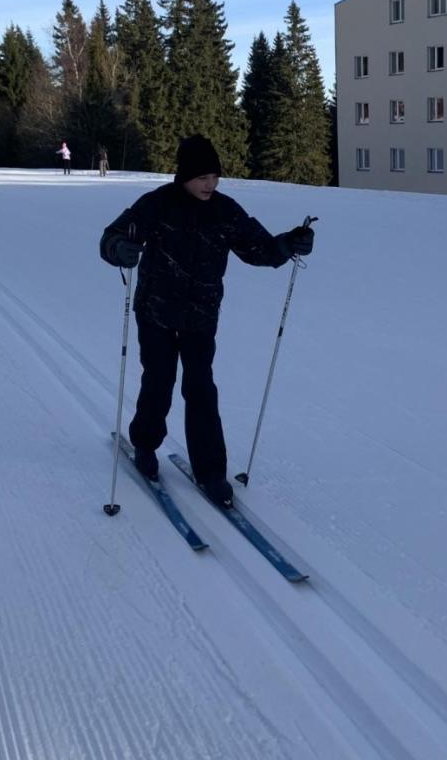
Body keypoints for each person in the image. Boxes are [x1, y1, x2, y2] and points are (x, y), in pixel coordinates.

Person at [100, 134, 314, 507]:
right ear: (184, 175)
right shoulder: (156, 204)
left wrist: (287, 244)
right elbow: (112, 236)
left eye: (215, 177)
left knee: (201, 389)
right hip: (157, 313)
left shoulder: (225, 210)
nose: (210, 185)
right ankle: (145, 446)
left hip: (201, 316)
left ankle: (211, 471)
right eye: (202, 178)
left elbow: (257, 248)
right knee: (158, 382)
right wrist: (120, 248)